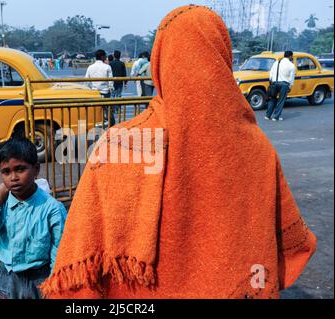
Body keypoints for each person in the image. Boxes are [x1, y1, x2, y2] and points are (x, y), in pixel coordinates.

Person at [41, 5, 316, 299]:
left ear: (161, 60)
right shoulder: (257, 149)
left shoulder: (121, 145)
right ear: (222, 58)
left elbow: (83, 260)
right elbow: (285, 247)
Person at [0, 138, 67, 299]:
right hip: (7, 277)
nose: (13, 177)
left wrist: (55, 285)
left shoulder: (52, 208)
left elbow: (58, 252)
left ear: (36, 169)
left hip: (40, 278)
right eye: (6, 172)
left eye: (20, 169)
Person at [85, 49, 115, 126]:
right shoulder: (107, 67)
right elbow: (110, 81)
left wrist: (88, 90)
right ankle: (111, 125)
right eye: (105, 55)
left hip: (94, 92)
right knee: (107, 110)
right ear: (102, 57)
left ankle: (96, 123)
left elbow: (86, 80)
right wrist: (111, 89)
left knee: (96, 110)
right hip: (105, 92)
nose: (106, 57)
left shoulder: (90, 67)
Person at [265, 51, 296, 122]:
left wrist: (271, 82)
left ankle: (267, 115)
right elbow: (291, 78)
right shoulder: (291, 65)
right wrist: (290, 86)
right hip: (284, 85)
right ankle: (276, 117)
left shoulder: (277, 62)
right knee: (281, 101)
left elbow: (271, 73)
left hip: (274, 83)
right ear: (290, 56)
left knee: (272, 99)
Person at [109, 50, 128, 121]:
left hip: (112, 82)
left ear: (114, 55)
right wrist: (125, 82)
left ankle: (112, 109)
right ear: (120, 56)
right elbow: (124, 73)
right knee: (119, 95)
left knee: (112, 95)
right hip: (120, 82)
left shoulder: (110, 64)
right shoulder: (122, 64)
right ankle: (117, 109)